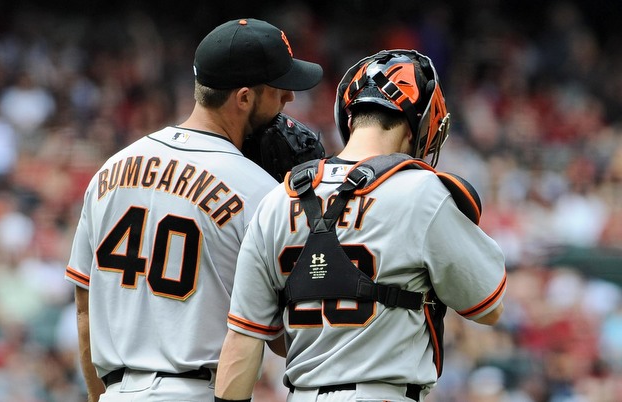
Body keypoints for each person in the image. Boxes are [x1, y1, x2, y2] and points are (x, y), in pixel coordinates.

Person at [214, 49, 507, 402]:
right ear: (421, 122)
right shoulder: (423, 193)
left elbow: (244, 338)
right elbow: (490, 307)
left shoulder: (279, 198)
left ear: (349, 117)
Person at [64, 18, 323, 402]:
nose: (289, 100)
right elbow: (287, 339)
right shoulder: (260, 191)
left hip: (116, 392)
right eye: (279, 90)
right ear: (244, 97)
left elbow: (84, 313)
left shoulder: (111, 169)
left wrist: (97, 397)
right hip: (196, 390)